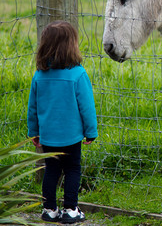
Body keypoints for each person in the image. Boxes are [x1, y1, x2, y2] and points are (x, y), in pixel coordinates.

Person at [27, 20, 98, 224]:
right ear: (71, 46)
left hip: (48, 136)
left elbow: (33, 108)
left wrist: (34, 132)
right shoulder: (78, 74)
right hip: (71, 136)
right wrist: (90, 132)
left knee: (51, 170)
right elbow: (87, 107)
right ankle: (71, 210)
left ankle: (49, 209)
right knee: (73, 170)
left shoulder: (39, 76)